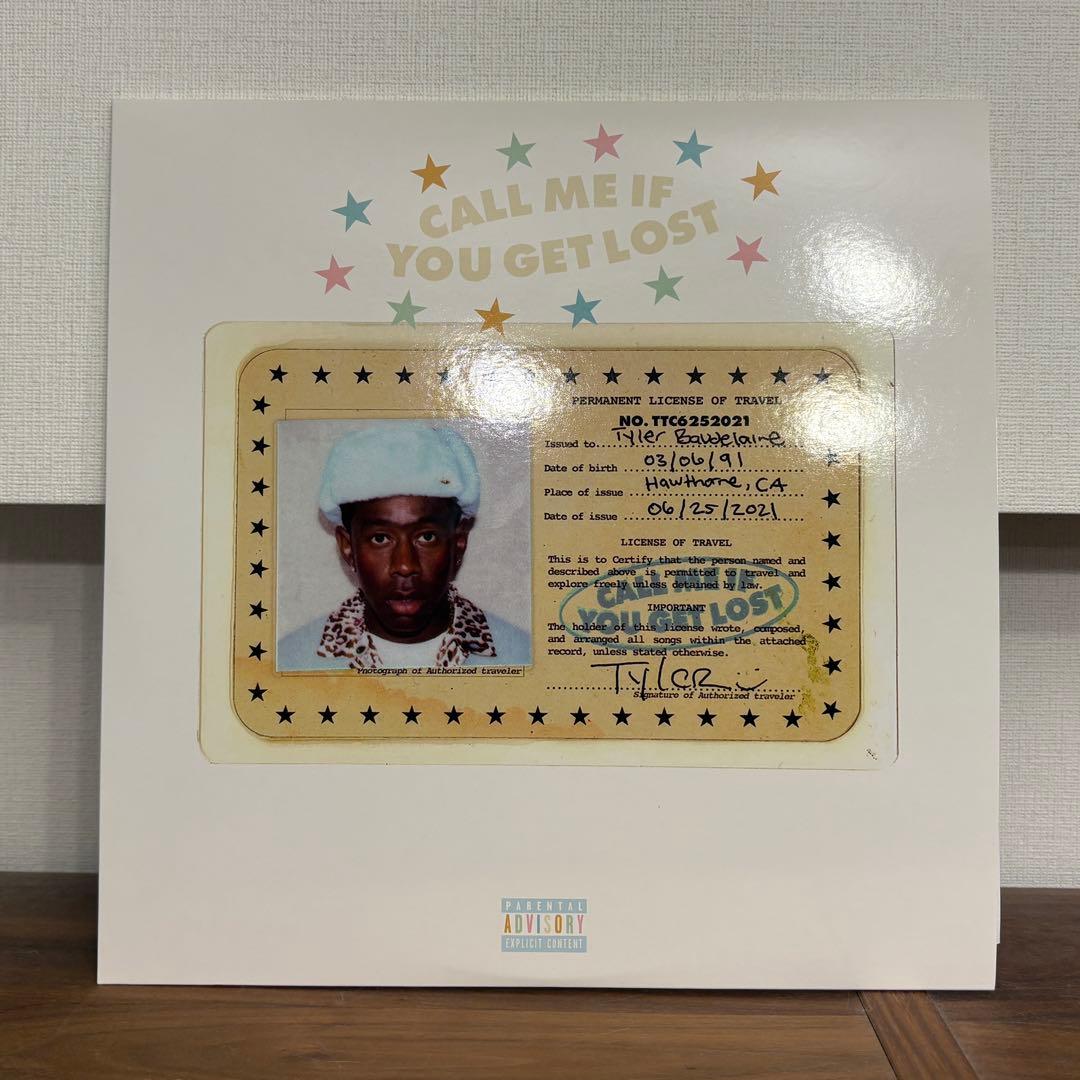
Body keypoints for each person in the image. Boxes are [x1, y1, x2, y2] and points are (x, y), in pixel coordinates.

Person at [277, 421, 530, 670]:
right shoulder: (290, 662)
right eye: (380, 538)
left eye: (426, 537)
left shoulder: (522, 657)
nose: (405, 565)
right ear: (348, 547)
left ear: (459, 543)